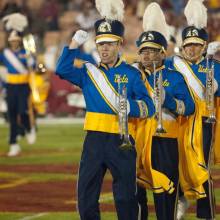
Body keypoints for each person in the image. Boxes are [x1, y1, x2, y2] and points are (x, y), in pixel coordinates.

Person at [55, 0, 155, 219]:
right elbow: (61, 69)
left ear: (119, 44)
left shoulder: (132, 74)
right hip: (94, 140)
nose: (105, 48)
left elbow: (149, 106)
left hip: (122, 140)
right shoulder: (88, 72)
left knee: (126, 197)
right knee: (86, 195)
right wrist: (73, 45)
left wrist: (129, 107)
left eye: (110, 43)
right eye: (101, 44)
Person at [133, 3, 195, 220]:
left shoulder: (175, 77)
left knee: (165, 191)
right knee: (135, 189)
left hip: (165, 139)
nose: (147, 54)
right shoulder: (132, 74)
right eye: (143, 50)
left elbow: (189, 107)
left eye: (152, 50)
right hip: (137, 138)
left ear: (163, 52)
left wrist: (167, 100)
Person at [166, 0, 220, 219]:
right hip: (177, 121)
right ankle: (179, 198)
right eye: (188, 44)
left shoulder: (214, 66)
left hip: (204, 123)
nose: (191, 48)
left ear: (204, 46)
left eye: (196, 44)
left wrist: (212, 64)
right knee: (173, 163)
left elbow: (216, 90)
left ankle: (205, 213)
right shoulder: (173, 64)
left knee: (201, 169)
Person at [0, 13, 36, 156]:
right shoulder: (5, 53)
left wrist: (29, 57)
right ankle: (13, 144)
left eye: (16, 40)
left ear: (19, 41)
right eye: (12, 41)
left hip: (23, 86)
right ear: (10, 42)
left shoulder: (25, 52)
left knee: (23, 111)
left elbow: (33, 66)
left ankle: (28, 129)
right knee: (12, 115)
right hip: (10, 86)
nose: (14, 42)